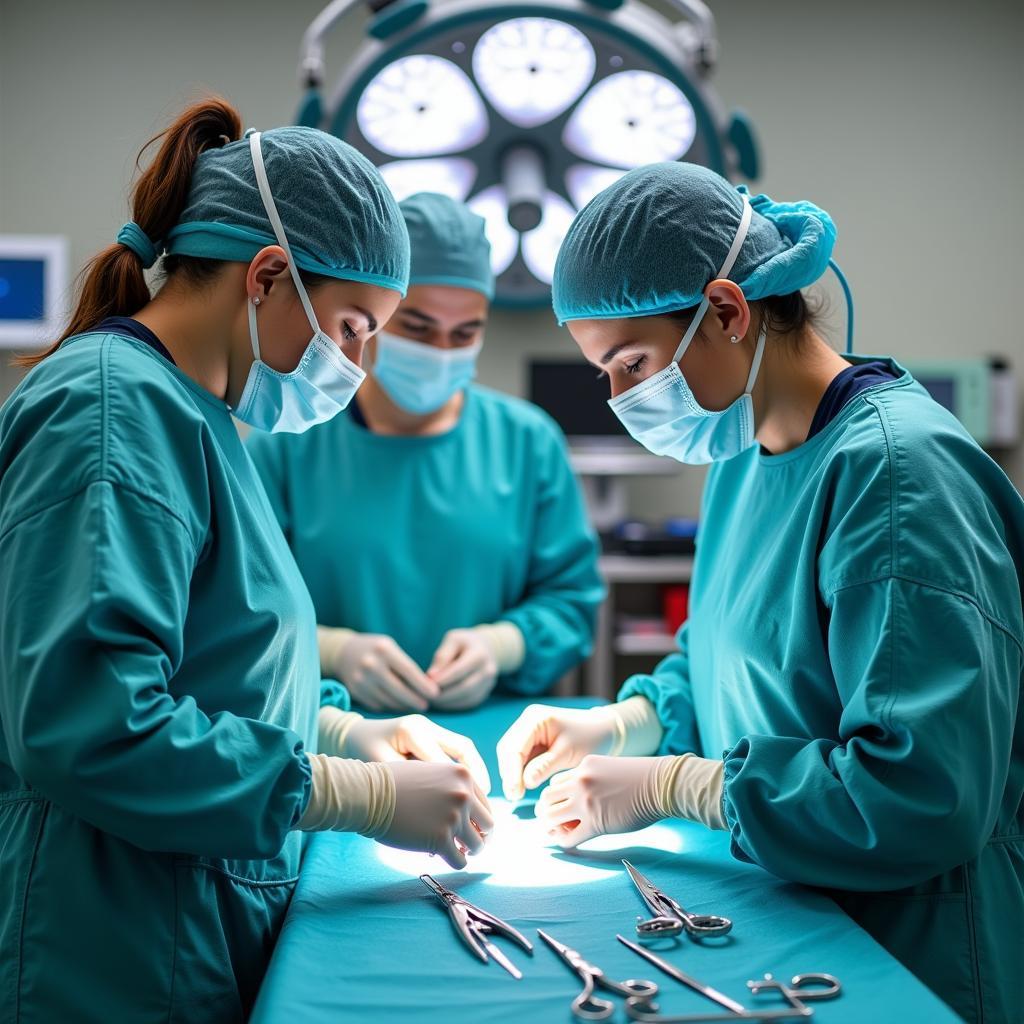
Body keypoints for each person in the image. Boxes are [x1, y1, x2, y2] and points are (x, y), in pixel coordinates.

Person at [0, 99, 493, 1024]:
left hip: (189, 916)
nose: (360, 362)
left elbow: (226, 661)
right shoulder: (110, 413)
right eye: (353, 329)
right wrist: (356, 793)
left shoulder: (201, 420)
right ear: (267, 276)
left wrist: (352, 733)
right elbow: (90, 727)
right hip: (113, 943)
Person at [496, 162, 1024, 1024]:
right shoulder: (746, 452)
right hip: (796, 906)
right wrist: (629, 720)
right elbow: (729, 646)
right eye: (606, 375)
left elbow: (918, 796)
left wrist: (679, 786)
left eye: (632, 363)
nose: (623, 399)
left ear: (730, 312)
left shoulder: (896, 478)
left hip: (911, 948)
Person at [248, 192, 603, 713]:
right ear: (373, 316)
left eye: (465, 333)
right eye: (416, 327)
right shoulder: (290, 440)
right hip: (330, 733)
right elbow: (242, 608)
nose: (441, 353)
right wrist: (331, 652)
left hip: (489, 733)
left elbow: (572, 603)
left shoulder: (527, 442)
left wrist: (503, 645)